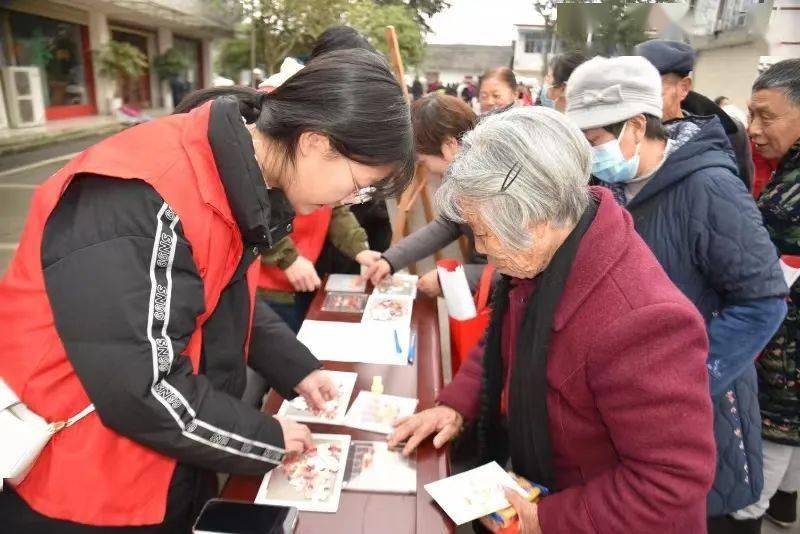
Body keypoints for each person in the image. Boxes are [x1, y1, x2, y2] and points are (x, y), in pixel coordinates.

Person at [0, 49, 414, 532]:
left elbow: (214, 298)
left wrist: (295, 367)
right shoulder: (142, 194)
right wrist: (266, 437)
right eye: (359, 185)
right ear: (315, 143)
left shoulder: (231, 175)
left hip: (171, 455)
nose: (349, 201)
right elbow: (141, 390)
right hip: (87, 479)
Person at [388, 106, 716, 532]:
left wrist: (549, 519)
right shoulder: (551, 254)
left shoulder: (644, 321)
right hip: (543, 482)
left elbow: (671, 480)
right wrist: (455, 405)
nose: (483, 252)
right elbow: (504, 338)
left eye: (485, 235)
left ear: (535, 220)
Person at [565, 55, 788, 534]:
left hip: (699, 404)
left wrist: (690, 374)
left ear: (637, 124)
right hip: (627, 401)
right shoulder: (608, 186)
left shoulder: (709, 188)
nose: (588, 155)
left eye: (594, 140)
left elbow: (763, 301)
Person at [732, 58, 800, 532]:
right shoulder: (786, 171)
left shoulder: (790, 196)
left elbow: (765, 281)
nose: (753, 129)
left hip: (784, 364)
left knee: (753, 480)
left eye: (767, 117)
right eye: (752, 116)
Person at [361, 93, 487, 296]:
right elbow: (450, 224)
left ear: (450, 146)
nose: (428, 171)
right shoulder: (467, 180)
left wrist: (450, 279)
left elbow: (514, 270)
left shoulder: (495, 188)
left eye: (425, 162)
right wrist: (390, 260)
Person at [307, 26, 395, 277]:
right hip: (290, 261)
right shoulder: (288, 116)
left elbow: (332, 205)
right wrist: (287, 258)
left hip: (341, 227)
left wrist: (357, 247)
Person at [635, 39, 754, 191]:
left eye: (650, 94)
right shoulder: (620, 133)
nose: (640, 105)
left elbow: (740, 197)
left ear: (683, 88)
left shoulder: (729, 133)